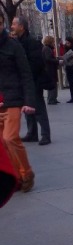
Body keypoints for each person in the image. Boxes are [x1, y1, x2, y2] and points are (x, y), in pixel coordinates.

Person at [0, 11, 36, 191]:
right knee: (2, 142)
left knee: (10, 138)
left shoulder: (13, 46)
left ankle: (26, 172)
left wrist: (29, 100)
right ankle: (15, 177)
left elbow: (25, 74)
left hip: (12, 99)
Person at [11, 15, 52, 145]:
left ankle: (45, 134)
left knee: (39, 108)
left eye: (14, 24)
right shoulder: (16, 42)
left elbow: (37, 63)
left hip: (34, 81)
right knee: (27, 107)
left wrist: (25, 74)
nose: (12, 27)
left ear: (21, 27)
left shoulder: (32, 42)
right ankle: (32, 133)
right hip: (23, 81)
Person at [42, 36, 61, 104]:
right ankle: (51, 99)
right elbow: (48, 58)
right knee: (52, 84)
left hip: (50, 69)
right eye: (52, 41)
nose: (54, 43)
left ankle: (53, 98)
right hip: (49, 70)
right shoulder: (47, 49)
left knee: (54, 84)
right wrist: (57, 61)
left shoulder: (47, 48)